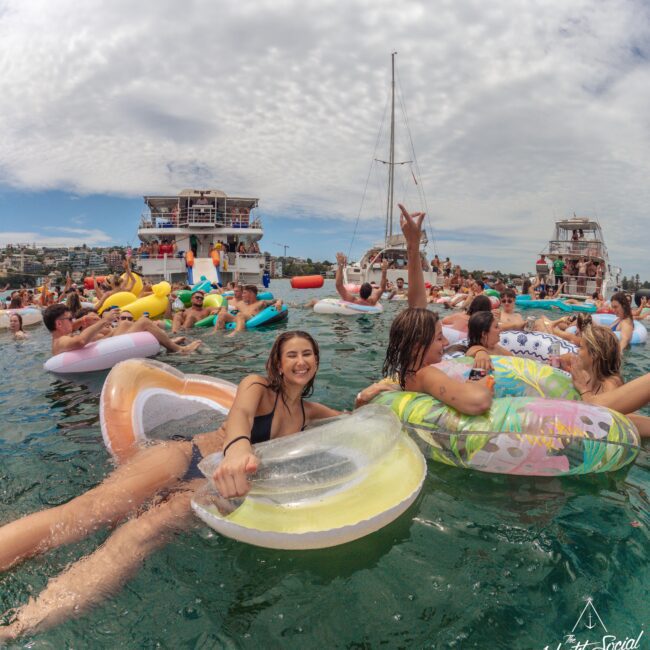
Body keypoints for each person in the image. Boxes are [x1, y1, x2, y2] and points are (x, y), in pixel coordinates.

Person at [0, 331, 341, 640]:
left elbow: (353, 420)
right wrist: (239, 447)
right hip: (187, 454)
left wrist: (375, 394)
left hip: (206, 486)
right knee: (89, 510)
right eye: (292, 354)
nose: (301, 361)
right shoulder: (258, 387)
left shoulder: (308, 413)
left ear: (316, 361)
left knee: (143, 533)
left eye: (308, 354)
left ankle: (21, 624)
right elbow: (241, 417)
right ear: (278, 364)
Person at [358, 205, 493, 415]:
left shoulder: (408, 371)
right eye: (439, 338)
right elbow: (477, 402)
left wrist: (413, 246)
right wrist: (481, 376)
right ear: (417, 345)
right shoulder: (427, 374)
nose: (446, 342)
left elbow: (417, 308)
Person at [569, 325, 650, 438]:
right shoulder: (587, 377)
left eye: (581, 347)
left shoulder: (610, 383)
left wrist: (583, 389)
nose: (577, 351)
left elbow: (602, 418)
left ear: (594, 355)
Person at [43, 304, 201, 355]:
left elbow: (72, 330)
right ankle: (179, 350)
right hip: (107, 348)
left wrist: (82, 320)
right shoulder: (62, 341)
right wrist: (105, 320)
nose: (72, 321)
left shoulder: (59, 337)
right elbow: (81, 341)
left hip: (106, 344)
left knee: (125, 324)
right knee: (144, 321)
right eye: (69, 319)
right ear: (59, 324)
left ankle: (166, 341)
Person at [214, 285, 283, 334]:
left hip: (251, 318)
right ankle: (216, 332)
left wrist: (279, 303)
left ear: (252, 294)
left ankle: (236, 334)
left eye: (244, 293)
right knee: (222, 314)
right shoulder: (240, 303)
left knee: (240, 315)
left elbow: (278, 300)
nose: (242, 295)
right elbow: (231, 310)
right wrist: (218, 310)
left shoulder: (261, 302)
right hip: (238, 319)